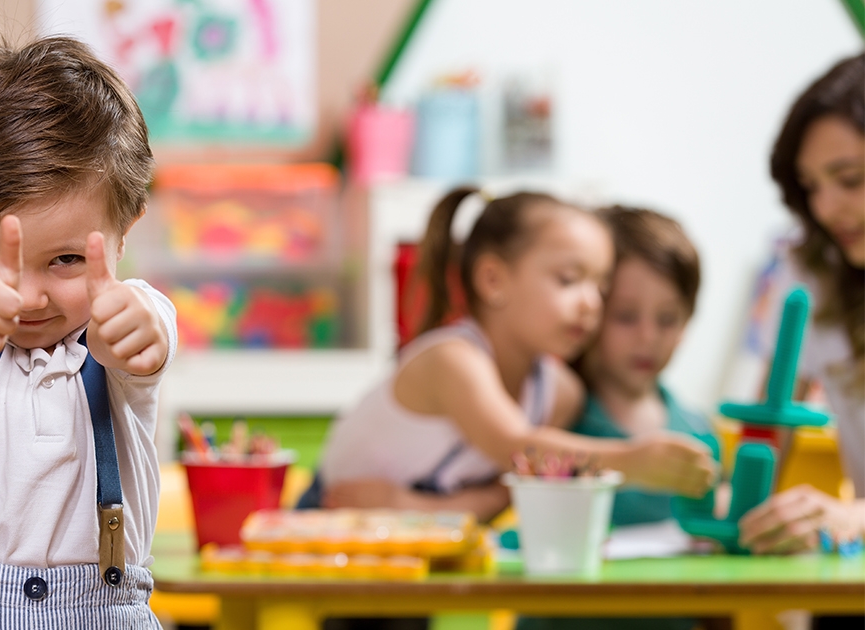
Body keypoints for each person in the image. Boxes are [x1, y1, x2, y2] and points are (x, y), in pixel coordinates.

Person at [0, 36, 175, 628]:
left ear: (125, 233)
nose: (25, 295)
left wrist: (127, 334)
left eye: (67, 260)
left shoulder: (130, 313)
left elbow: (141, 339)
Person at [318, 188, 716, 522]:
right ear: (493, 280)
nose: (591, 303)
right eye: (569, 280)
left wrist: (410, 509)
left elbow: (506, 491)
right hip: (329, 518)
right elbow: (517, 450)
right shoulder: (453, 360)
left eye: (601, 286)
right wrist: (631, 462)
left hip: (416, 529)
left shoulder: (561, 393)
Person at [516, 206, 711, 630]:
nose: (648, 337)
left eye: (668, 319)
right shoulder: (556, 415)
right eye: (625, 316)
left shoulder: (696, 432)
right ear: (589, 309)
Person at [737, 53, 865, 554]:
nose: (825, 208)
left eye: (850, 179)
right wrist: (742, 504)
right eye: (811, 186)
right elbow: (769, 419)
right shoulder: (812, 270)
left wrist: (848, 517)